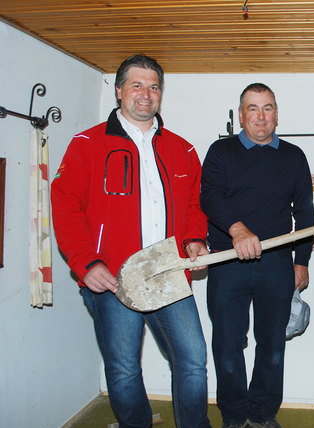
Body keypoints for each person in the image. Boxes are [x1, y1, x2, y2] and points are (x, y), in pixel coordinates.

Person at [50, 55, 212, 428]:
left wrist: (194, 241)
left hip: (170, 274)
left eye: (154, 86)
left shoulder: (182, 149)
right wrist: (85, 262)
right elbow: (65, 205)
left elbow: (194, 206)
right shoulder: (86, 143)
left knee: (193, 359)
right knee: (123, 369)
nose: (146, 94)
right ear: (119, 90)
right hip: (112, 277)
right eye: (137, 85)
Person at [200, 83, 314, 428]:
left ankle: (263, 415)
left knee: (272, 343)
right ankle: (234, 416)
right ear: (240, 116)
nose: (261, 116)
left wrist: (301, 261)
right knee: (228, 342)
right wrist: (238, 230)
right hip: (227, 261)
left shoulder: (294, 156)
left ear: (276, 115)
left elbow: (306, 214)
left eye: (267, 108)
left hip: (277, 263)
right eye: (253, 108)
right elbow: (209, 198)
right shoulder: (220, 152)